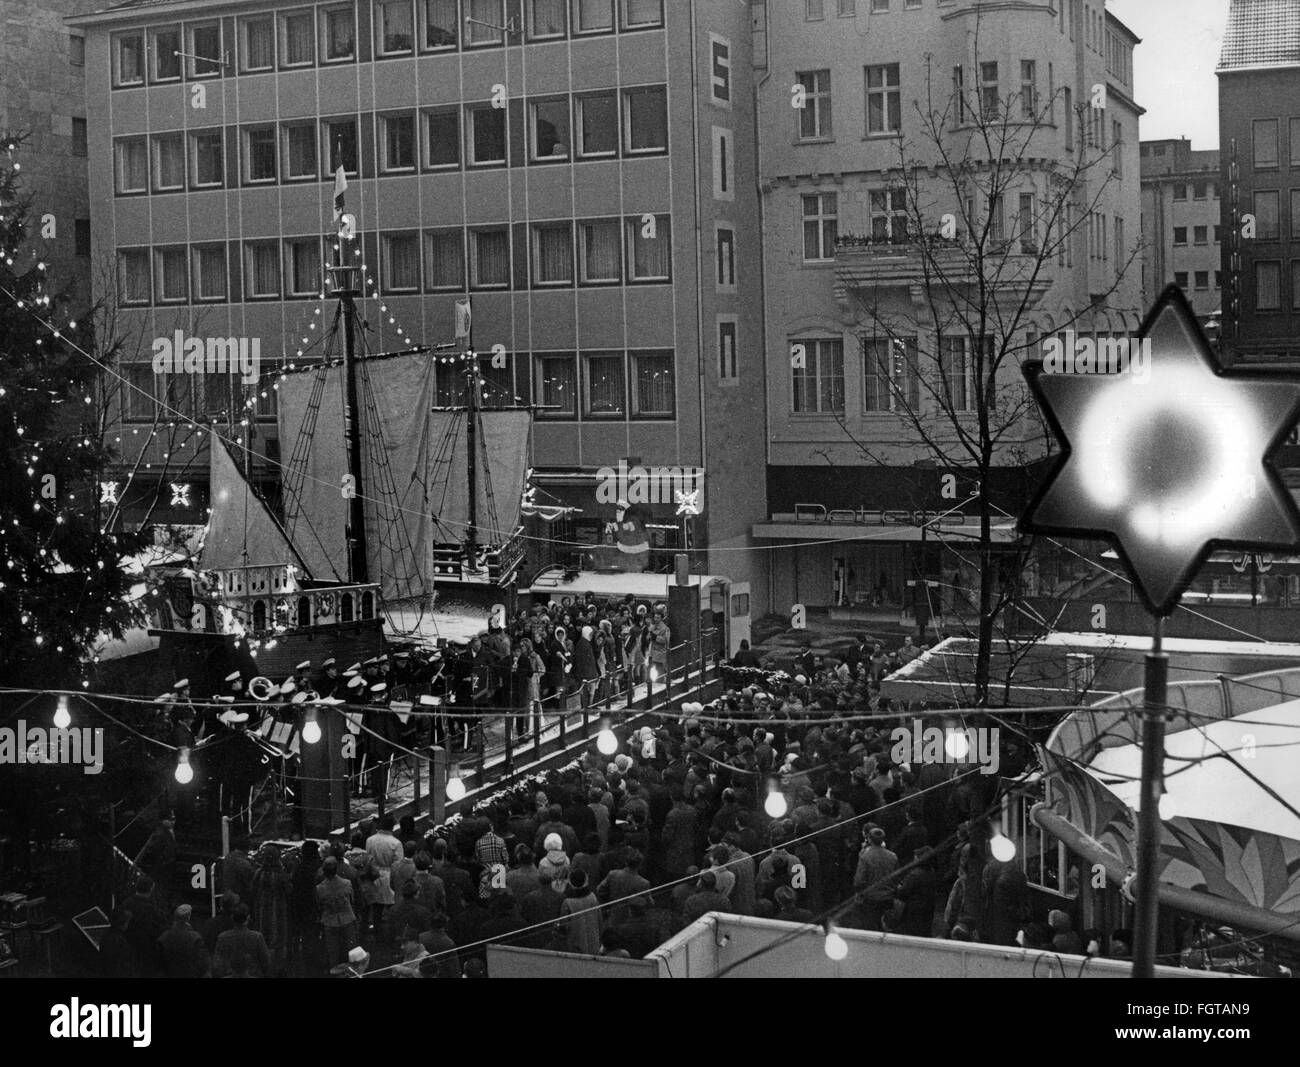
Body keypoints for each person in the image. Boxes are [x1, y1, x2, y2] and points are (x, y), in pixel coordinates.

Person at [316, 857, 359, 970]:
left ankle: (335, 972)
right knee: (351, 950)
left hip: (329, 921)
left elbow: (319, 906)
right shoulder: (347, 883)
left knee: (333, 952)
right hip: (347, 919)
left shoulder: (319, 889)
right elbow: (352, 900)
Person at [212, 903, 272, 978]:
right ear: (248, 918)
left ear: (232, 917)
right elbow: (266, 963)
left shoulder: (222, 938)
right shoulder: (257, 937)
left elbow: (217, 965)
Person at [157, 904, 209, 978]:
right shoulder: (195, 938)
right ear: (188, 917)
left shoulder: (163, 937)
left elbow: (158, 963)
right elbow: (203, 965)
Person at [558, 870, 601, 955]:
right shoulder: (592, 897)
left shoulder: (567, 902)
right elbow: (600, 920)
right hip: (594, 944)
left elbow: (563, 927)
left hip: (575, 947)